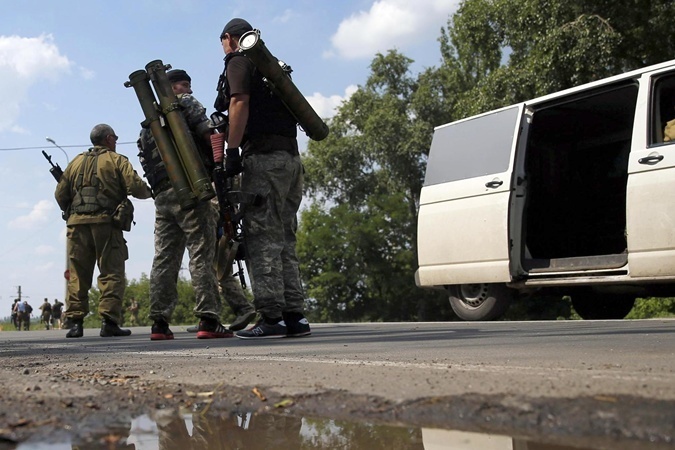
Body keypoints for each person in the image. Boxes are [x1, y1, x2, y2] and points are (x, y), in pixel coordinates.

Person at [216, 18, 311, 339]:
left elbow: (238, 101)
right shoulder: (272, 68)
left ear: (228, 38)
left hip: (264, 161)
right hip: (291, 160)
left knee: (261, 237)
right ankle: (294, 315)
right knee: (284, 236)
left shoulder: (240, 60)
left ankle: (271, 316)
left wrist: (231, 150)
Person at [138, 69, 232, 341]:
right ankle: (209, 319)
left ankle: (159, 322)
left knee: (164, 259)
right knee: (201, 253)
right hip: (191, 189)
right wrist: (220, 165)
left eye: (189, 84)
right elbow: (208, 134)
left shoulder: (149, 122)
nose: (188, 89)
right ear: (169, 87)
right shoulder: (185, 106)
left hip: (164, 197)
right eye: (182, 84)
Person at [55, 123, 152, 338]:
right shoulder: (117, 160)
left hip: (77, 225)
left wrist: (72, 211)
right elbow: (136, 187)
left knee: (78, 274)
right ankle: (109, 322)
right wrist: (151, 192)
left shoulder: (75, 162)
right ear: (109, 139)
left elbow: (60, 193)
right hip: (106, 224)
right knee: (111, 272)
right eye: (115, 138)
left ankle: (76, 324)